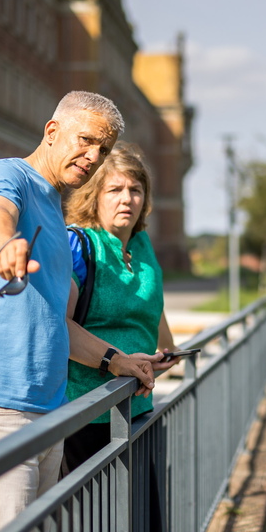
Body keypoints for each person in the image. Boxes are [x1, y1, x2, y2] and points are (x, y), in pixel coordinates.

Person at [0, 91, 164, 532]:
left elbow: (55, 326)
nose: (92, 157)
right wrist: (3, 247)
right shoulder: (8, 175)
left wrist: (116, 360)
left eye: (102, 149)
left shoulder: (53, 208)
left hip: (48, 411)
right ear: (52, 131)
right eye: (85, 141)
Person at [62, 142, 178, 468]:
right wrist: (119, 360)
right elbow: (59, 324)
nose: (127, 199)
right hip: (88, 413)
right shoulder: (79, 245)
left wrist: (168, 351)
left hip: (138, 406)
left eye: (136, 189)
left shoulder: (142, 244)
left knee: (142, 516)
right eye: (114, 189)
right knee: (97, 518)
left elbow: (151, 303)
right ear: (93, 196)